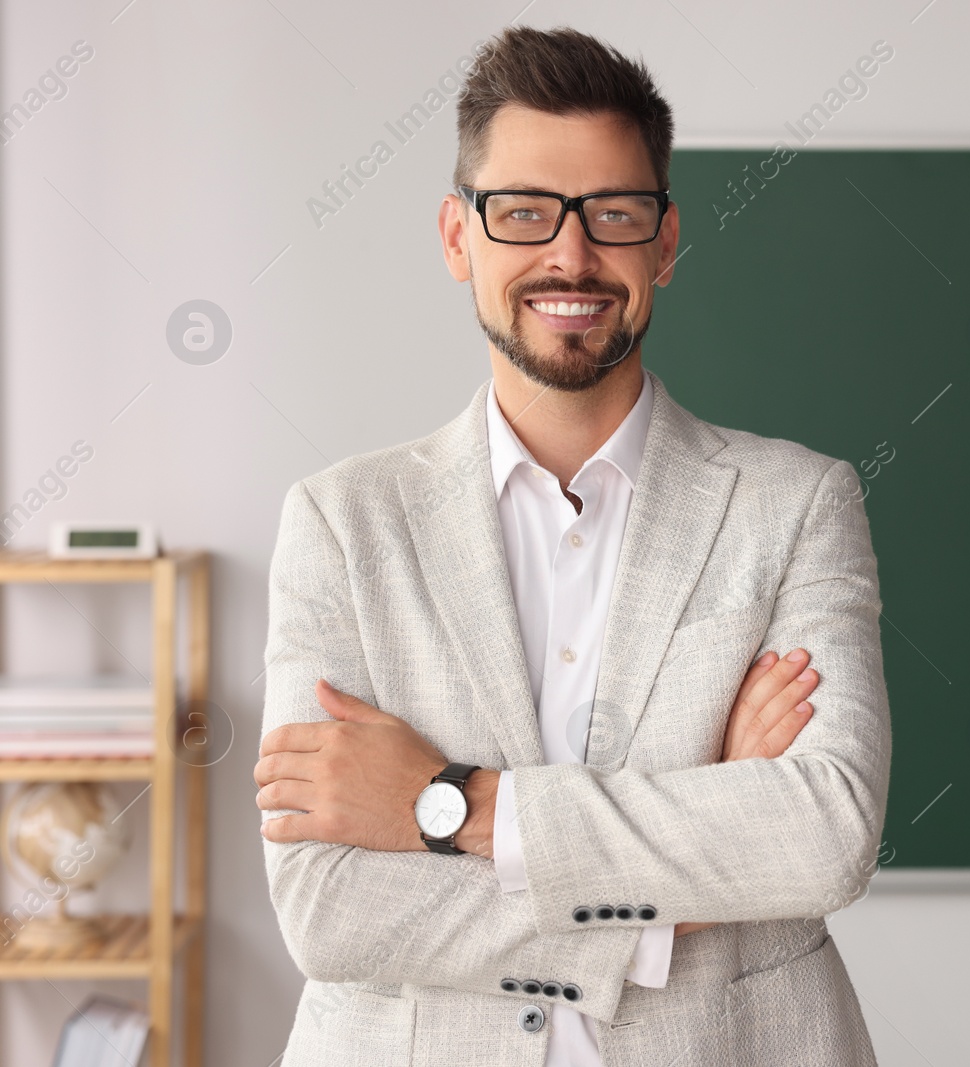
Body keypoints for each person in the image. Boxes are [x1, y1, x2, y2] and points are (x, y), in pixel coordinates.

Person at [253, 23, 890, 1067]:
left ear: (666, 240)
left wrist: (443, 800)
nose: (571, 254)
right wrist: (666, 899)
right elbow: (330, 907)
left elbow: (821, 832)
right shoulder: (340, 521)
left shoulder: (798, 503)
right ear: (460, 237)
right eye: (523, 212)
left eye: (614, 213)